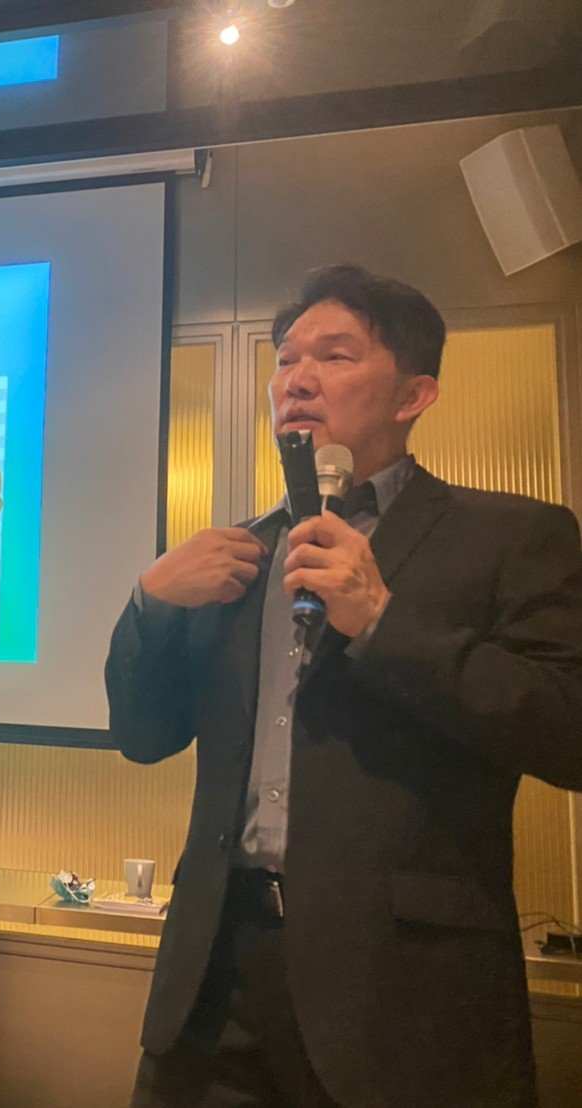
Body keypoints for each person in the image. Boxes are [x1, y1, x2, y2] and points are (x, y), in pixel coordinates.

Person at [106, 264, 582, 1107]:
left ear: (414, 395)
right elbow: (144, 737)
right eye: (286, 359)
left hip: (404, 996)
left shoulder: (511, 537)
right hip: (215, 977)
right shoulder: (237, 556)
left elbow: (567, 731)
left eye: (334, 356)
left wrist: (384, 622)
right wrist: (149, 605)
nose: (297, 380)